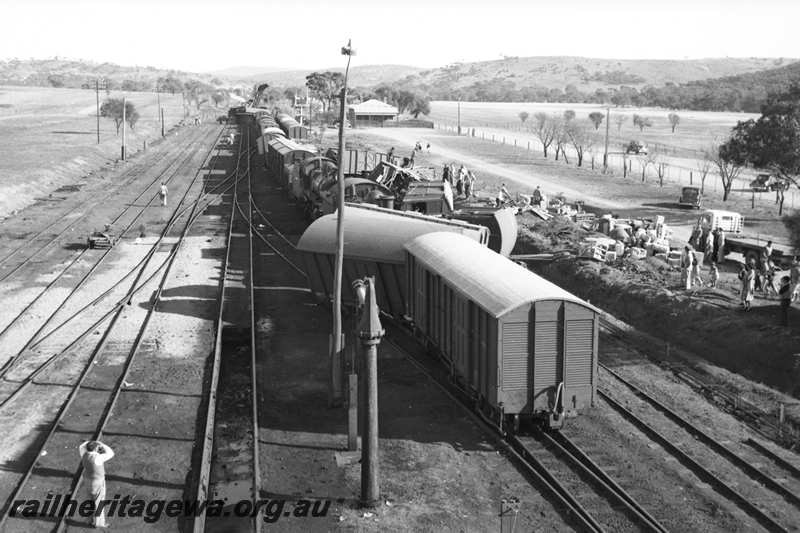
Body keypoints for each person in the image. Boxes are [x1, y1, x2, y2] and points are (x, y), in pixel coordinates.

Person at [79, 440, 115, 528]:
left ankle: (88, 520)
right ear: (96, 448)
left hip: (87, 480)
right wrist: (101, 443)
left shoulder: (83, 453)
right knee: (99, 502)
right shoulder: (98, 458)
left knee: (89, 500)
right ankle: (99, 523)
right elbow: (111, 453)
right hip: (98, 481)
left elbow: (81, 446)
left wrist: (89, 443)